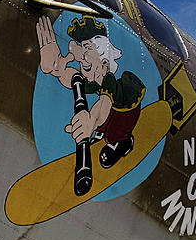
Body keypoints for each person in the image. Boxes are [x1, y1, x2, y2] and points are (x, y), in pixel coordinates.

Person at [36, 14, 145, 168]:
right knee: (106, 121)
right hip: (110, 106)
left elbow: (104, 103)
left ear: (104, 60)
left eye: (87, 49)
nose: (80, 58)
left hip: (126, 107)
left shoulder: (108, 79)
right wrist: (57, 70)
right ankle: (103, 132)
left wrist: (92, 121)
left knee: (115, 127)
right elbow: (75, 80)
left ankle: (123, 141)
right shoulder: (95, 80)